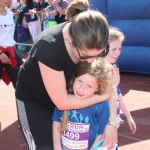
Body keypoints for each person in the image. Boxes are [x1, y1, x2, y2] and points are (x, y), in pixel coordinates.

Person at [15, 0, 118, 149]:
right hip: (36, 102)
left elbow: (108, 84)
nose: (91, 61)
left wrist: (112, 123)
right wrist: (103, 96)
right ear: (71, 39)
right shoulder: (48, 46)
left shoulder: (96, 43)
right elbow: (62, 102)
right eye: (84, 56)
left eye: (97, 55)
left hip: (71, 96)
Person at [52, 58, 115, 150]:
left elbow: (100, 133)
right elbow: (57, 120)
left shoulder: (102, 105)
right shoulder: (64, 99)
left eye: (89, 86)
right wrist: (57, 146)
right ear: (74, 78)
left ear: (97, 88)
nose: (81, 89)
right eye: (80, 81)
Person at [104, 26, 137, 149]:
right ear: (104, 47)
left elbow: (118, 94)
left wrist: (128, 116)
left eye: (119, 49)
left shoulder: (113, 68)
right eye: (114, 49)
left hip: (113, 121)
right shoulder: (99, 72)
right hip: (104, 123)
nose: (117, 53)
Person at [0, 0, 22, 88]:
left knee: (20, 86)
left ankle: (20, 102)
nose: (7, 0)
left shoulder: (10, 14)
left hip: (11, 53)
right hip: (0, 52)